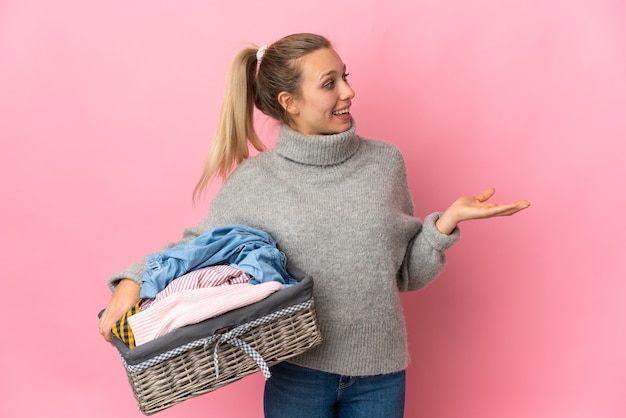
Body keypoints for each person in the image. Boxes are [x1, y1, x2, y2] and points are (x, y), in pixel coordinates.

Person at [98, 33, 530, 417]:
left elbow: (402, 276)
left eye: (345, 76)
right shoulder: (256, 180)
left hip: (381, 376)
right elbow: (197, 247)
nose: (349, 91)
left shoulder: (385, 164)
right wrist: (134, 281)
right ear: (290, 102)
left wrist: (444, 225)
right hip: (297, 374)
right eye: (329, 84)